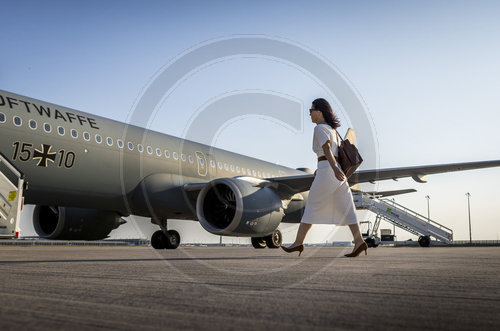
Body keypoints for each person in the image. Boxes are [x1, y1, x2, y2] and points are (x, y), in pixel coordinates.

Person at [281, 98, 368, 257]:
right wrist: (328, 168)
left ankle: (298, 242)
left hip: (330, 170)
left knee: (312, 205)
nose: (309, 113)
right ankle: (359, 242)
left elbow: (327, 149)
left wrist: (332, 168)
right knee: (347, 206)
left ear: (319, 112)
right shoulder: (332, 130)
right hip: (334, 171)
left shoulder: (320, 128)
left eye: (311, 110)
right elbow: (331, 153)